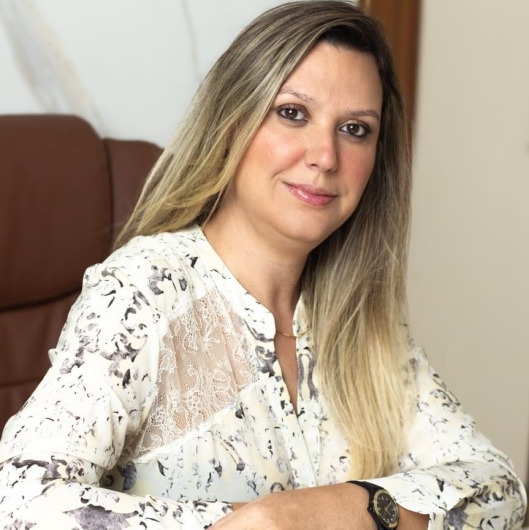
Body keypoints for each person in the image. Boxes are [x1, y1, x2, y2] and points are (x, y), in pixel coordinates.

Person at [0, 1, 526, 529]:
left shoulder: (359, 320)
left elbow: (501, 492)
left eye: (355, 129)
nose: (325, 156)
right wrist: (261, 523)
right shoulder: (143, 293)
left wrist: (355, 509)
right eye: (292, 113)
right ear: (231, 121)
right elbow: (20, 501)